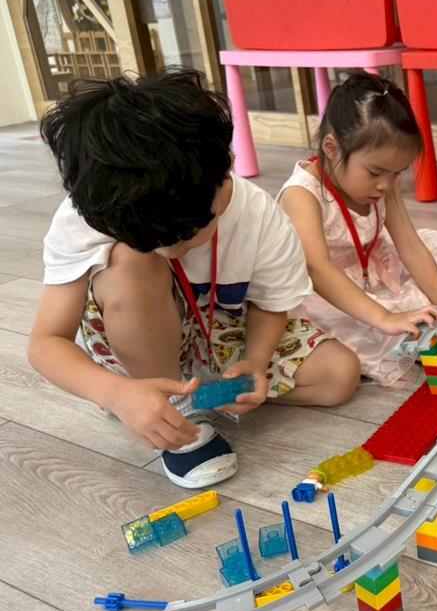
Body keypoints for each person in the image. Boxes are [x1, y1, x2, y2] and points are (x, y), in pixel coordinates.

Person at [27, 69, 360, 489]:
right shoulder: (95, 214)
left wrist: (256, 361)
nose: (171, 250)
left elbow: (271, 305)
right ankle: (167, 405)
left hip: (221, 331)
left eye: (187, 234)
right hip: (136, 333)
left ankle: (192, 395)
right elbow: (46, 343)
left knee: (338, 375)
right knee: (130, 262)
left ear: (226, 170)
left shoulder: (259, 215)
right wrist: (113, 393)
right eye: (154, 242)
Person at [277, 71, 437, 386]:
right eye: (375, 172)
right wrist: (385, 318)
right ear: (331, 148)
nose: (386, 184)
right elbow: (318, 269)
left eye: (397, 173)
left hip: (374, 271)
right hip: (326, 294)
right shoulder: (302, 194)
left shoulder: (384, 185)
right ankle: (403, 325)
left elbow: (410, 246)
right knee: (358, 328)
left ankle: (420, 321)